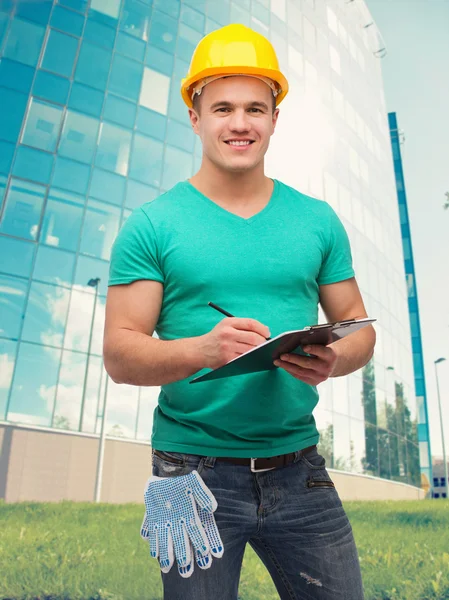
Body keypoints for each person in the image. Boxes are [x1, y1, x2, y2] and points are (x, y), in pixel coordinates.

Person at [104, 23, 375, 600]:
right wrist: (204, 350)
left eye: (256, 107)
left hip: (299, 467)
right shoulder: (154, 225)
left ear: (275, 119)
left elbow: (358, 328)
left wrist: (332, 359)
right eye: (222, 106)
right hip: (190, 472)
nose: (240, 123)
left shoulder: (317, 220)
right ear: (196, 116)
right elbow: (120, 353)